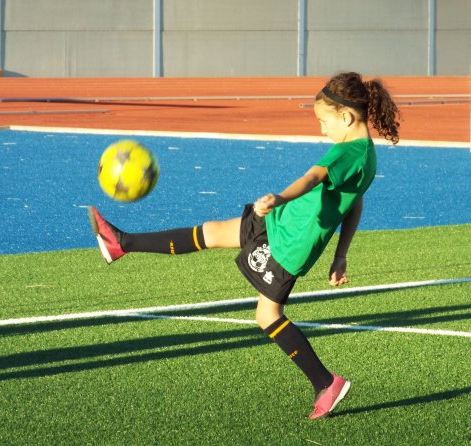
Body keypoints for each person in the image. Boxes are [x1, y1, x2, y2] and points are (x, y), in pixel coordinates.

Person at [88, 71, 400, 420]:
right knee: (210, 232)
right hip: (279, 224)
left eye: (323, 121)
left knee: (267, 316)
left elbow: (313, 178)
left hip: (288, 244)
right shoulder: (366, 156)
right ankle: (122, 243)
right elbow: (354, 202)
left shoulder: (346, 152)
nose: (321, 129)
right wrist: (340, 254)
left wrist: (279, 198)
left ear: (346, 117)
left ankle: (326, 383)